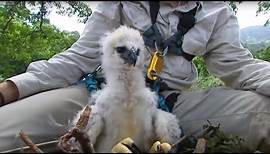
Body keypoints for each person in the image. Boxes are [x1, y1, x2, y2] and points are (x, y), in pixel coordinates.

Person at [0, 1, 270, 152]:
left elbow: (239, 67)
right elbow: (78, 58)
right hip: (99, 96)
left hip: (169, 106)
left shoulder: (218, 12)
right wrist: (9, 88)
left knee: (263, 111)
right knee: (5, 127)